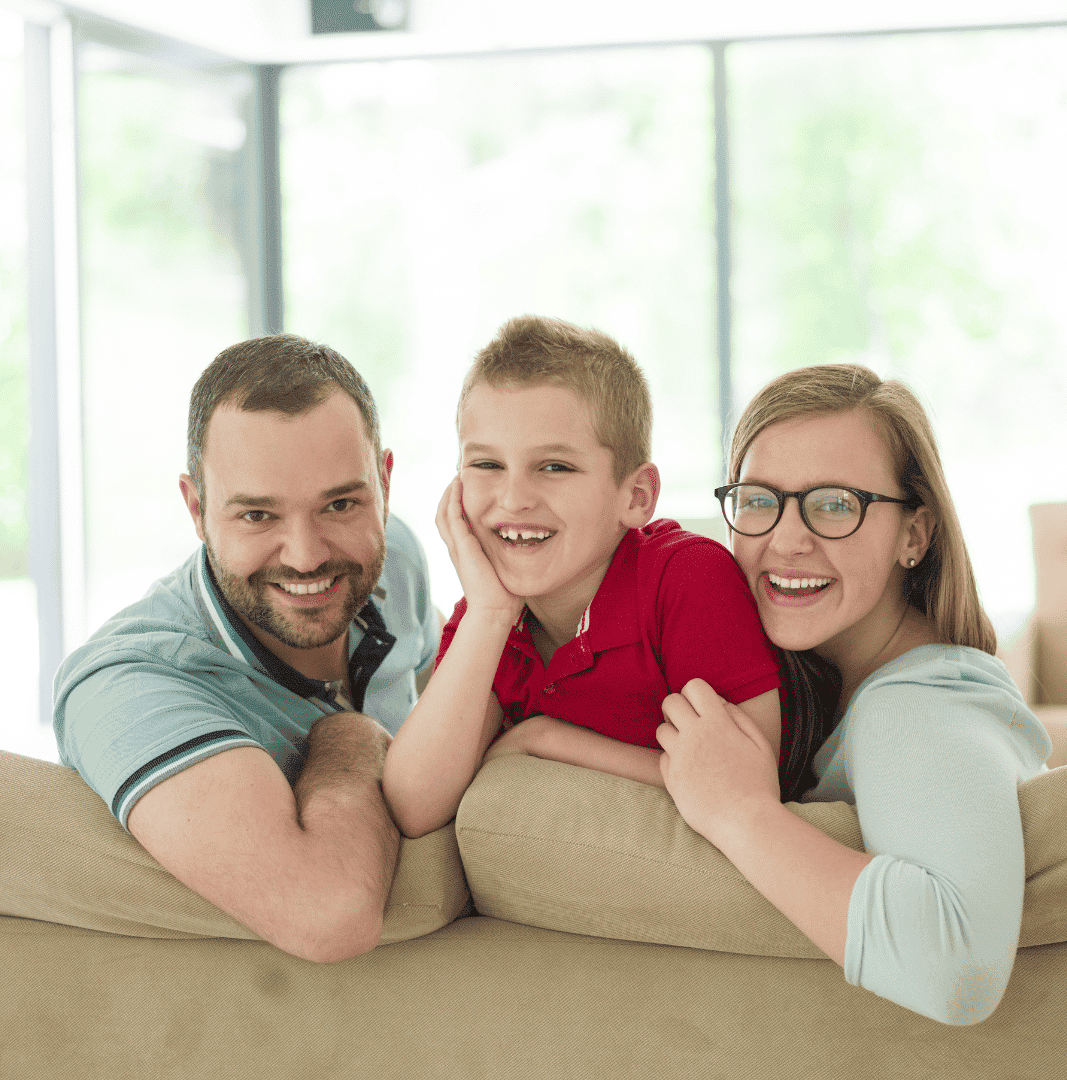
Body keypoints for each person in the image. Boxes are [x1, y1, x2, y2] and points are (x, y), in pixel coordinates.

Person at [656, 363, 1051, 1025]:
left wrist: (739, 812)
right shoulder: (844, 691)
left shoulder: (920, 707)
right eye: (758, 499)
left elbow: (955, 969)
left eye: (835, 504)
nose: (785, 539)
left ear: (915, 536)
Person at [53, 334, 441, 962]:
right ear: (196, 508)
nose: (308, 554)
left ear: (385, 482)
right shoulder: (124, 687)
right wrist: (351, 737)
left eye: (340, 503)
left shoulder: (393, 559)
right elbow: (328, 915)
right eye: (258, 516)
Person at [383, 315, 786, 839]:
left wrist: (544, 739)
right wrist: (489, 614)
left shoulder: (687, 578)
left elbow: (754, 784)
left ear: (635, 496)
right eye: (486, 465)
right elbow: (414, 806)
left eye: (554, 467)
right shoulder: (488, 615)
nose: (513, 498)